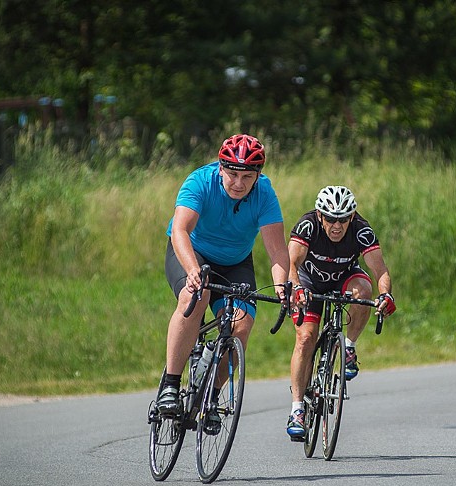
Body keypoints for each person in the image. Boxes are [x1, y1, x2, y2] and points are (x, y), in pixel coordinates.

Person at [154, 134, 289, 433]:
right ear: (220, 169)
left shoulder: (265, 194)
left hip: (236, 262)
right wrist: (193, 270)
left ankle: (210, 399)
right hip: (192, 251)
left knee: (241, 325)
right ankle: (171, 385)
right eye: (232, 174)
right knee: (195, 297)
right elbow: (180, 230)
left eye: (247, 177)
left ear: (258, 176)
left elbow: (278, 251)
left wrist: (282, 287)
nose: (239, 183)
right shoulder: (200, 181)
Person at [285, 185, 396, 440]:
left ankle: (348, 346)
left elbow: (379, 269)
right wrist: (298, 290)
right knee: (305, 339)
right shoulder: (307, 226)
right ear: (320, 215)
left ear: (352, 217)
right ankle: (297, 410)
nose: (337, 225)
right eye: (331, 219)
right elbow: (291, 264)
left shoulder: (361, 230)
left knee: (364, 290)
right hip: (309, 282)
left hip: (345, 277)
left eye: (344, 219)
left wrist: (386, 294)